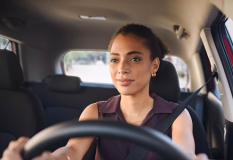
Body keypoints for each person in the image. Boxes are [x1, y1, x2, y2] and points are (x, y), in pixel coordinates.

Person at [1, 24, 209, 160]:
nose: (122, 68)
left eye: (134, 58)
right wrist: (50, 158)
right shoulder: (95, 111)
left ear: (154, 65)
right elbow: (72, 151)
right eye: (115, 59)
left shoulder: (178, 115)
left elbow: (185, 154)